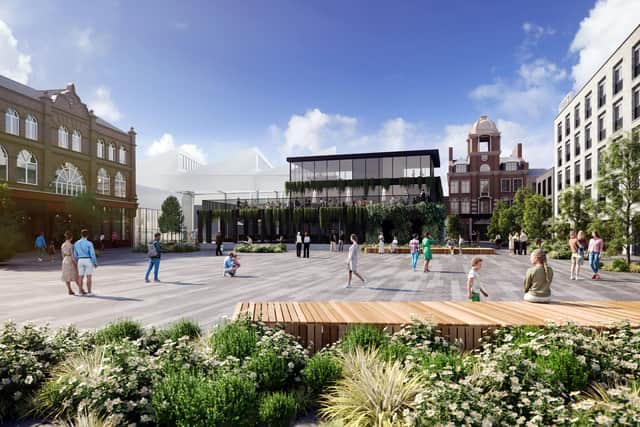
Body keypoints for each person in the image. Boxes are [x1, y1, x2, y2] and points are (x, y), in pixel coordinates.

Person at [73, 229, 98, 296]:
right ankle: (89, 292)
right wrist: (95, 262)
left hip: (80, 260)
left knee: (80, 277)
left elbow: (75, 254)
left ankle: (80, 292)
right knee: (89, 277)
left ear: (81, 235)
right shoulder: (89, 243)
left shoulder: (76, 243)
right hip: (88, 260)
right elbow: (92, 254)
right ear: (87, 235)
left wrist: (76, 261)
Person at [61, 231, 83, 295]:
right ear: (71, 237)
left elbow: (62, 255)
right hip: (70, 260)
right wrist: (76, 263)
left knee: (66, 277)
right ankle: (81, 289)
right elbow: (73, 256)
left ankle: (69, 290)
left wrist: (64, 260)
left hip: (65, 260)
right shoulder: (71, 245)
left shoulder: (63, 245)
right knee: (76, 276)